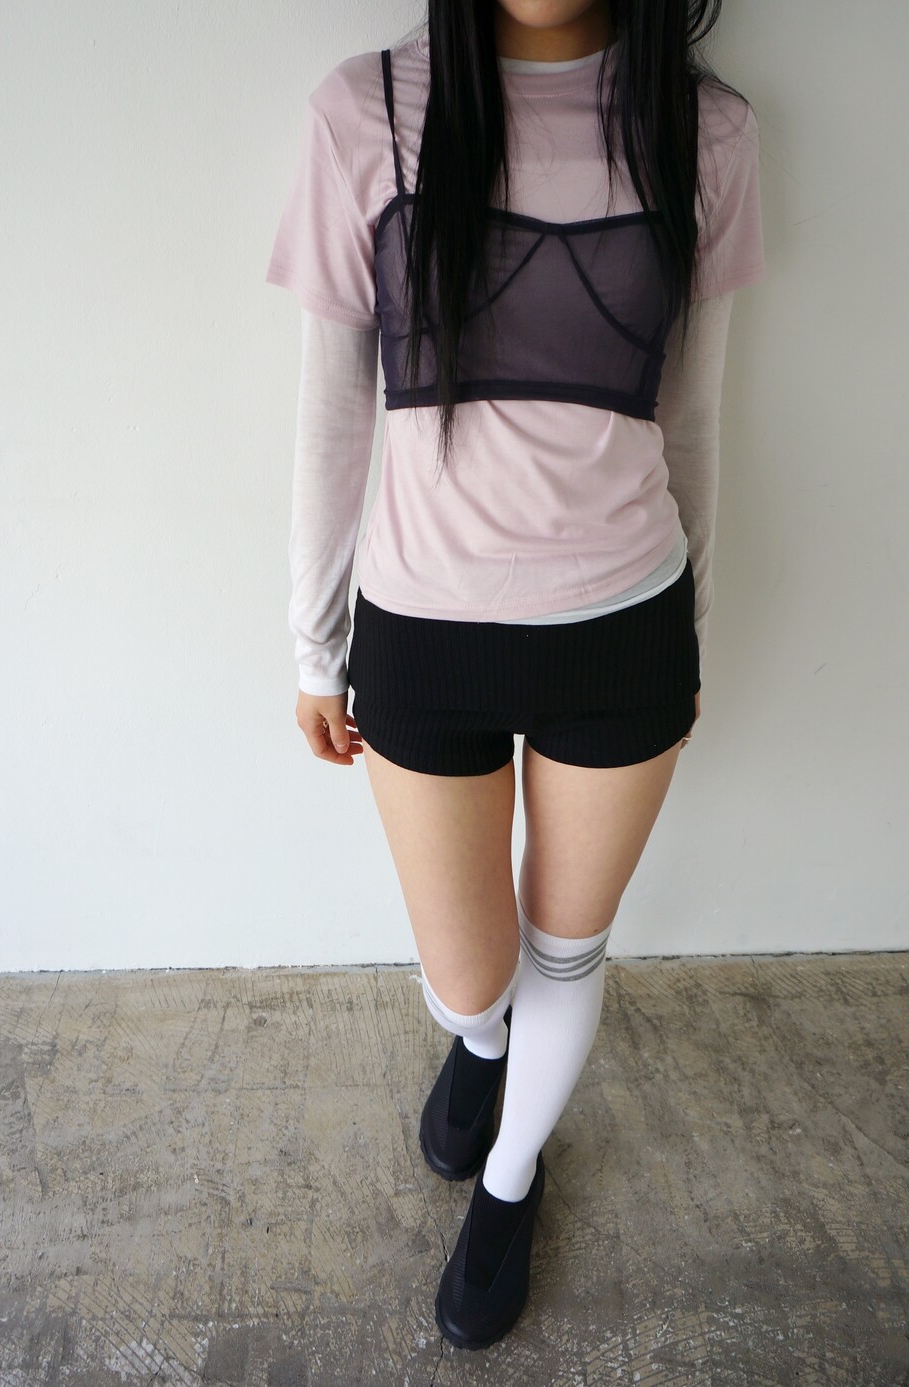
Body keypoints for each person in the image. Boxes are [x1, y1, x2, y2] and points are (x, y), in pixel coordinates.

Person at [265, 0, 765, 1352]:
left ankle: (510, 1177)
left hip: (624, 624)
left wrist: (690, 629)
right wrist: (314, 645)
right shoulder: (366, 111)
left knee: (566, 945)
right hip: (424, 626)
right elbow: (332, 407)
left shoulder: (707, 132)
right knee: (470, 971)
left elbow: (693, 412)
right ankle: (481, 1042)